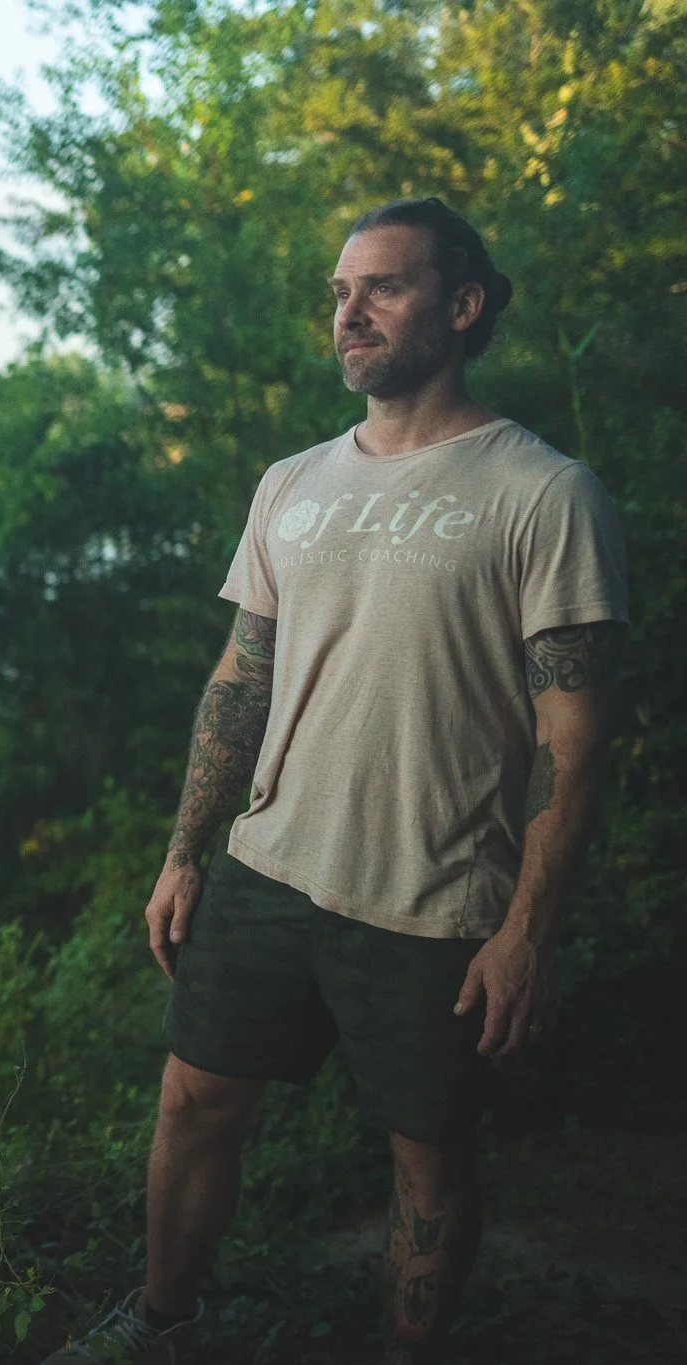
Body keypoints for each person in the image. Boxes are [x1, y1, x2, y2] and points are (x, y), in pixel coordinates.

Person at [41, 199, 629, 1365]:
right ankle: (158, 1325)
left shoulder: (541, 492)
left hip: (434, 901)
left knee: (426, 1162)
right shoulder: (290, 482)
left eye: (382, 288)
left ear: (460, 307)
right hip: (267, 870)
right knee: (192, 1103)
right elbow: (239, 681)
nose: (347, 313)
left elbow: (572, 736)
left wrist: (526, 930)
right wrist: (183, 852)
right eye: (338, 292)